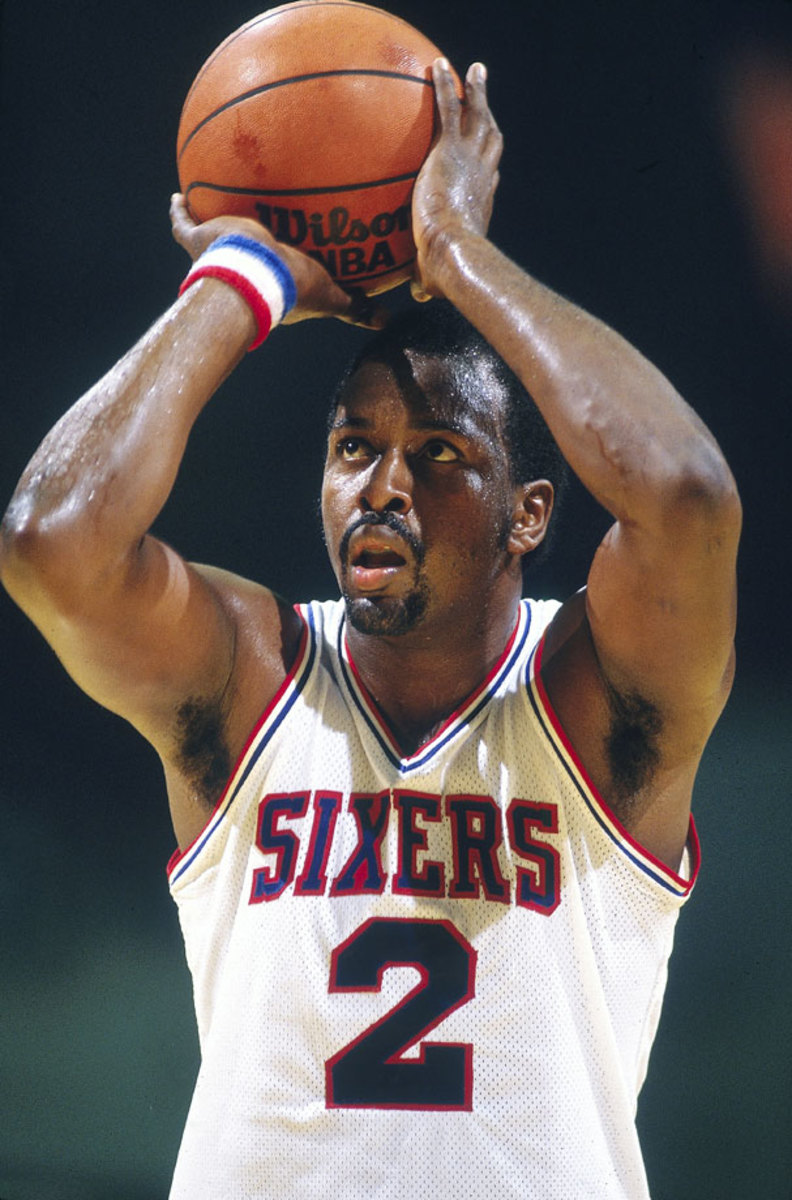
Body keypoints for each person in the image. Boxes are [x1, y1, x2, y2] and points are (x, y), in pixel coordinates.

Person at [0, 58, 740, 1200]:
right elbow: (50, 540)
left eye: (440, 454)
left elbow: (688, 496)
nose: (384, 486)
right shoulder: (252, 680)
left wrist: (460, 258)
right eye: (356, 449)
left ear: (527, 515)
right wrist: (238, 277)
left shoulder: (592, 698)